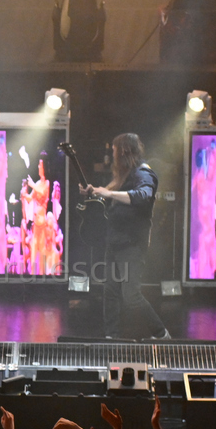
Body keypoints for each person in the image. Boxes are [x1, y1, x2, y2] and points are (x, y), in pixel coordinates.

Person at [80, 133, 168, 339]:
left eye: (114, 151)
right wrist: (95, 192)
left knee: (131, 295)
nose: (112, 155)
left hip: (132, 244)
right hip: (115, 241)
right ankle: (111, 336)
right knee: (110, 291)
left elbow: (143, 196)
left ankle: (162, 334)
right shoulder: (125, 176)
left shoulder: (143, 173)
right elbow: (110, 191)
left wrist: (108, 193)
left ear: (124, 151)